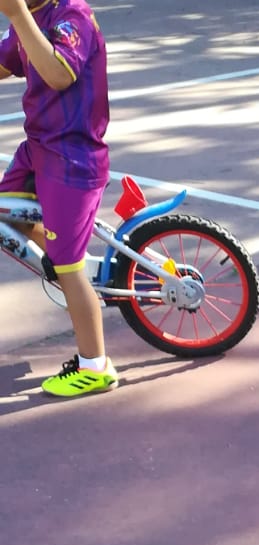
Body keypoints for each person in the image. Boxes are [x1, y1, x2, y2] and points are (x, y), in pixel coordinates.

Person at [0, 0, 115, 396]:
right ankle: (67, 258)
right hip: (39, 149)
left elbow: (59, 74)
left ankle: (95, 366)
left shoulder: (72, 15)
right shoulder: (31, 15)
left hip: (72, 158)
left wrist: (17, 15)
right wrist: (20, 18)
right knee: (6, 216)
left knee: (67, 266)